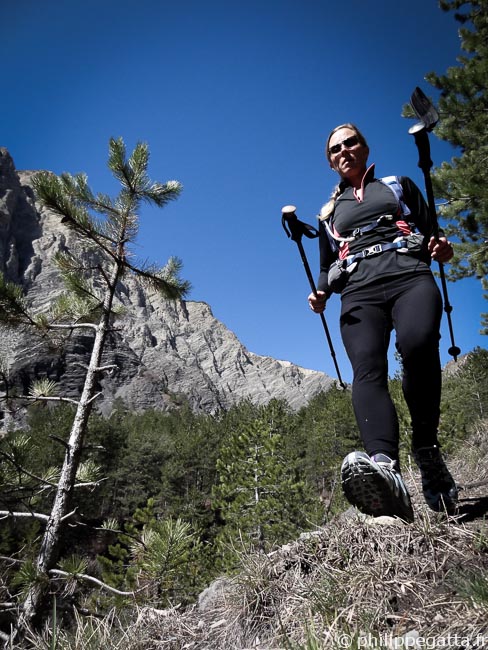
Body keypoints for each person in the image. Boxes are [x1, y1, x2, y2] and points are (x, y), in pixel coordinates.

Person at [308, 123, 458, 522]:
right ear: (330, 160)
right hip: (358, 291)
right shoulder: (328, 213)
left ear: (364, 146)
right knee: (367, 369)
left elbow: (435, 237)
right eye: (336, 147)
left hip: (410, 275)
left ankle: (426, 448)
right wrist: (321, 292)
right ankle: (384, 469)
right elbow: (327, 268)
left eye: (350, 142)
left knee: (418, 343)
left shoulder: (398, 186)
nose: (344, 150)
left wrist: (442, 249)